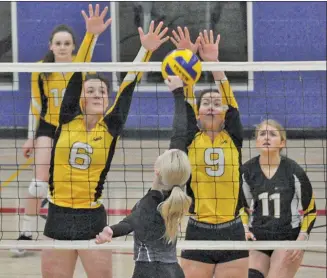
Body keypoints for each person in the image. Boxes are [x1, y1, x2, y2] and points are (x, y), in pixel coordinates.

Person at [41, 20, 169, 278]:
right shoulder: (66, 118)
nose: (98, 94)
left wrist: (145, 51)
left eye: (102, 91)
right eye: (91, 90)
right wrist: (90, 35)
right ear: (80, 98)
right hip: (57, 216)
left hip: (91, 218)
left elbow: (128, 87)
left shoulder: (110, 128)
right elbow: (78, 72)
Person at [12, 4, 111, 257]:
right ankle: (25, 233)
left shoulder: (83, 68)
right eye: (59, 43)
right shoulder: (40, 70)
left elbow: (92, 101)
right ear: (51, 46)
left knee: (74, 182)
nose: (63, 47)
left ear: (73, 47)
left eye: (67, 43)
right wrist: (30, 138)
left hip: (74, 129)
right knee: (37, 184)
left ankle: (73, 222)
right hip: (48, 126)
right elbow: (35, 104)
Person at [170, 27, 249, 278]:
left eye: (217, 103)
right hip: (198, 229)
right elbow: (185, 105)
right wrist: (188, 59)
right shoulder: (192, 138)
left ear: (225, 113)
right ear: (199, 112)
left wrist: (213, 62)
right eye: (206, 103)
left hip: (233, 229)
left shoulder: (232, 137)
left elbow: (230, 98)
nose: (212, 107)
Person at [96, 76, 191, 278]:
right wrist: (178, 94)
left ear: (157, 170)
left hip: (149, 271)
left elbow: (129, 224)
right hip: (174, 270)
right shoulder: (176, 192)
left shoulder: (150, 203)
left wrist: (110, 231)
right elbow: (180, 132)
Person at [242, 119, 317, 278]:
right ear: (256, 142)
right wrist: (245, 228)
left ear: (282, 143)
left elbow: (311, 210)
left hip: (287, 238)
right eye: (262, 134)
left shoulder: (294, 171)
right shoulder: (247, 171)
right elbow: (241, 207)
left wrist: (302, 239)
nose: (267, 138)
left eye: (273, 134)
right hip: (258, 239)